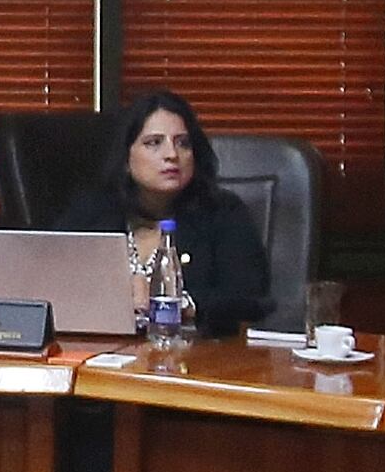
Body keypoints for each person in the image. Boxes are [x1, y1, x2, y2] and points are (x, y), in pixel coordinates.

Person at [54, 88, 270, 335]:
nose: (172, 155)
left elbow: (251, 300)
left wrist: (178, 303)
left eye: (183, 143)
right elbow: (50, 281)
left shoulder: (222, 212)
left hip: (196, 358)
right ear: (126, 158)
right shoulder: (93, 211)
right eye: (154, 143)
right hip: (104, 353)